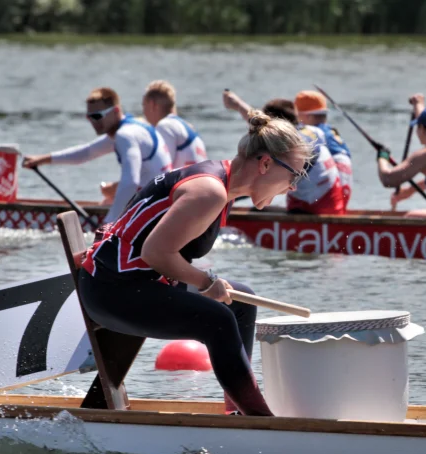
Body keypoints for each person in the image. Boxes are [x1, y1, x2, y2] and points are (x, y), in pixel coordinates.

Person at [78, 110, 311, 416]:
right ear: (266, 163)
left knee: (241, 300)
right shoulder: (209, 191)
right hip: (112, 292)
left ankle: (238, 412)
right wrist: (205, 283)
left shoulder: (219, 185)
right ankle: (260, 420)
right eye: (293, 175)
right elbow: (155, 253)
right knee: (218, 319)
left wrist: (206, 284)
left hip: (130, 283)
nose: (292, 187)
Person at [22, 87, 173, 223]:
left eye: (97, 116)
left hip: (154, 209)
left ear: (115, 111)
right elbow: (87, 152)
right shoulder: (134, 126)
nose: (93, 122)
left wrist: (110, 223)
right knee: (109, 197)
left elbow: (130, 182)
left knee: (112, 196)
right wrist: (42, 159)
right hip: (162, 202)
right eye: (90, 117)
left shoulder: (125, 135)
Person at [223, 90, 345, 215]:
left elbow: (260, 183)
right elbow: (259, 122)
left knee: (257, 206)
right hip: (334, 203)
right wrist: (238, 104)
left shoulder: (294, 148)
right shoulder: (313, 131)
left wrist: (226, 196)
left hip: (312, 210)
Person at [294, 90, 354, 207]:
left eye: (297, 116)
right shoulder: (332, 132)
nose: (296, 120)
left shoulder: (313, 134)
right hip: (343, 193)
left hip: (328, 195)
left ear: (307, 116)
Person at [142, 80, 208, 169]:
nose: (144, 113)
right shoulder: (186, 126)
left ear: (152, 104)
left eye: (144, 106)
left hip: (186, 181)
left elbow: (163, 168)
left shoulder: (165, 126)